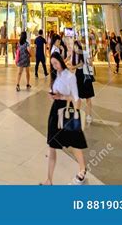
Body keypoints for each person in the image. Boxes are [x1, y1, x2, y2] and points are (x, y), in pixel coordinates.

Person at [41, 53, 87, 185]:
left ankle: (82, 170)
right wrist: (53, 96)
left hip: (68, 110)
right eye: (52, 64)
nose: (55, 66)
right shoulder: (55, 75)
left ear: (61, 61)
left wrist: (61, 97)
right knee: (52, 145)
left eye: (56, 63)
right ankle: (49, 180)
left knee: (74, 143)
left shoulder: (70, 76)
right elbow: (54, 91)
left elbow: (76, 98)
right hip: (55, 112)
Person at [71, 40, 94, 124]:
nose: (75, 48)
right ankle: (77, 114)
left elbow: (91, 64)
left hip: (86, 75)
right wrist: (78, 65)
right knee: (78, 97)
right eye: (74, 47)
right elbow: (72, 67)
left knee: (88, 97)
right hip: (78, 75)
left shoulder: (85, 53)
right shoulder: (73, 56)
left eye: (76, 47)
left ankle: (89, 115)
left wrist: (90, 60)